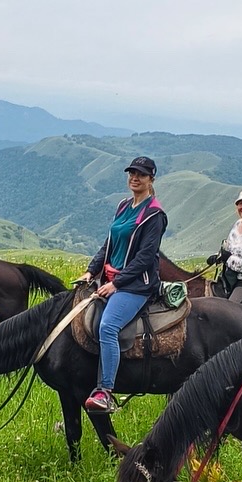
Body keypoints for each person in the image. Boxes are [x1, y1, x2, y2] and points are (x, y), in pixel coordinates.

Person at [82, 156, 167, 414]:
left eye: (141, 174)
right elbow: (109, 243)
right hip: (110, 277)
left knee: (108, 327)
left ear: (151, 179)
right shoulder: (123, 206)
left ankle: (105, 391)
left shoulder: (155, 215)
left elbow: (145, 256)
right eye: (132, 173)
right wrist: (91, 270)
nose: (134, 178)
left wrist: (117, 284)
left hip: (136, 285)